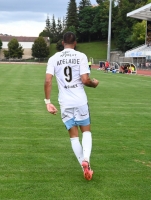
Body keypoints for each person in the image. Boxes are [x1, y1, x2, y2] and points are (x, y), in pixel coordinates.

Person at [44, 32, 99, 181]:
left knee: (74, 137)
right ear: (75, 43)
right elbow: (85, 80)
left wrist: (48, 102)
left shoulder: (54, 58)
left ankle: (84, 167)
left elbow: (48, 81)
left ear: (62, 43)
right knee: (86, 132)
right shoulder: (81, 56)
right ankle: (86, 159)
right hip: (80, 101)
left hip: (65, 102)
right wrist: (94, 84)